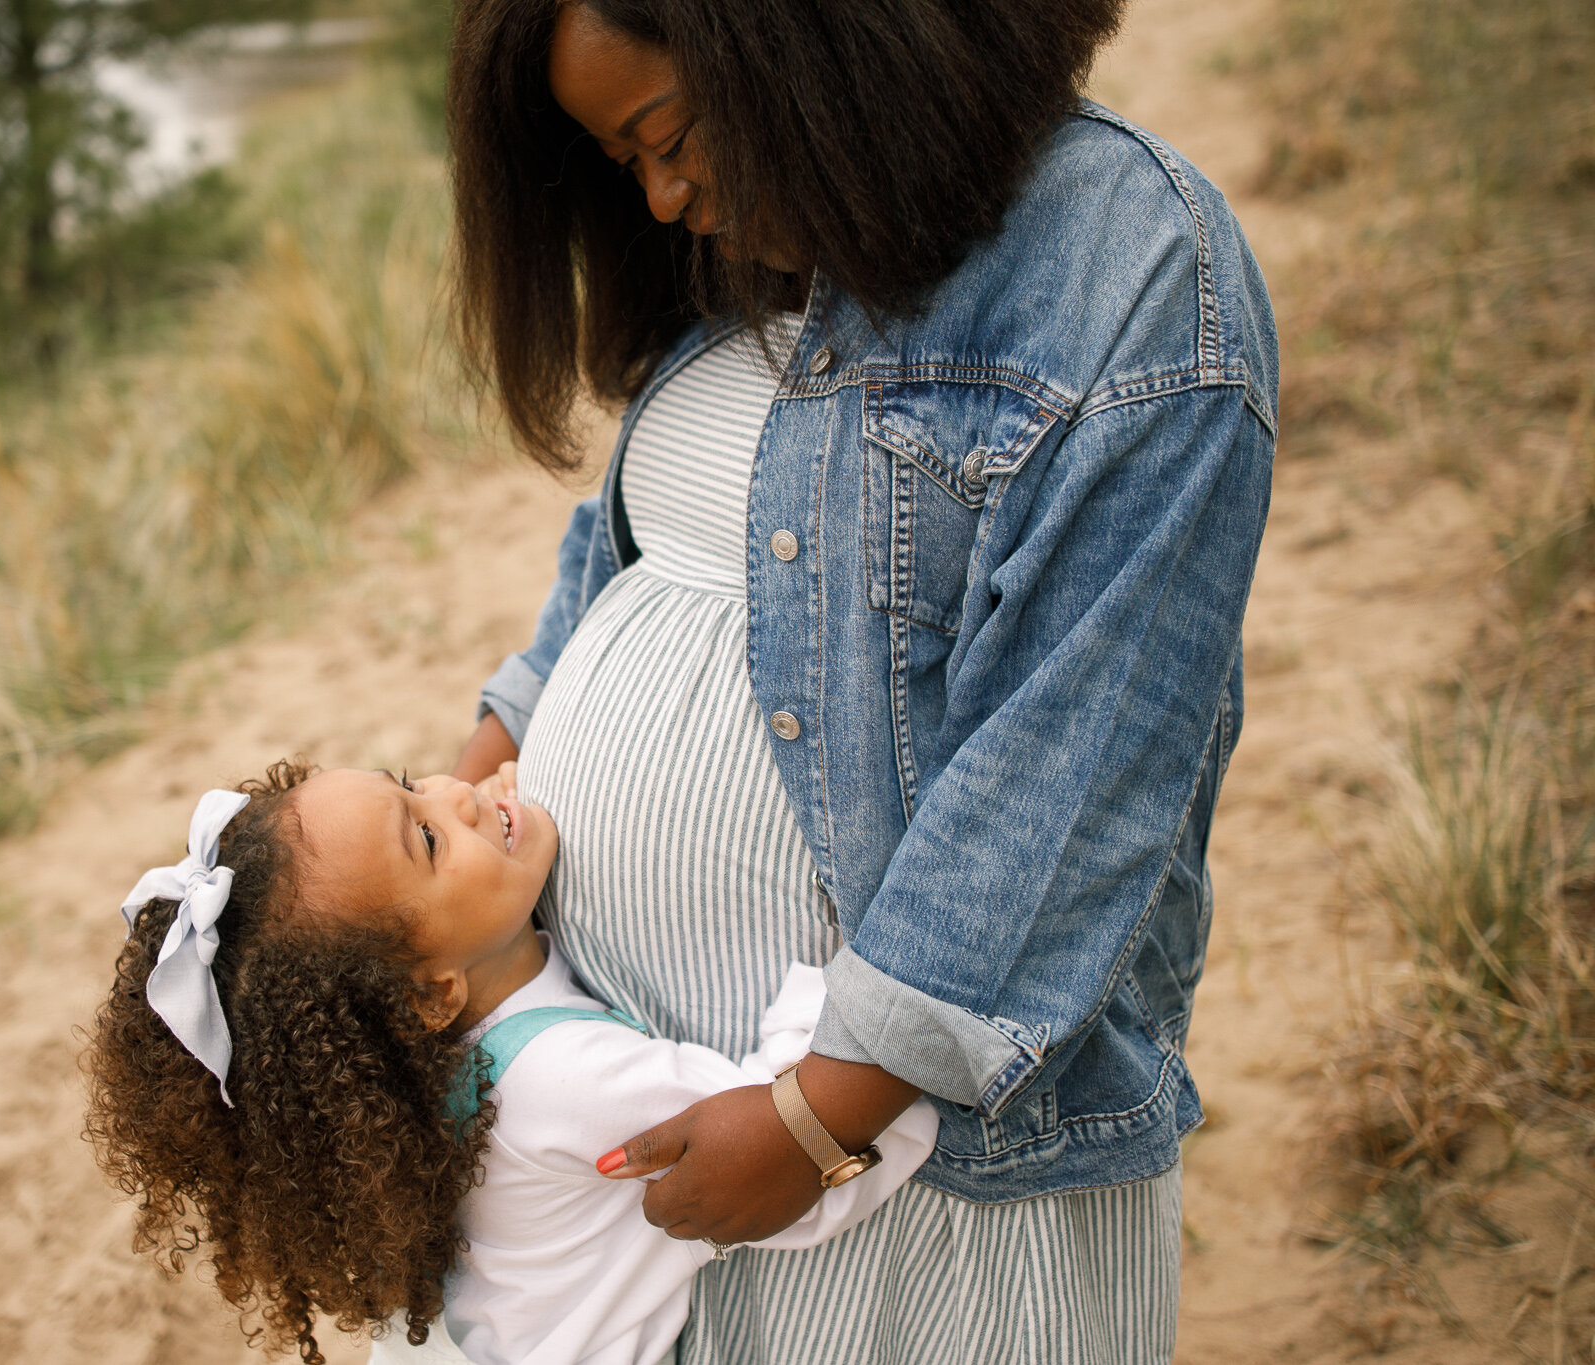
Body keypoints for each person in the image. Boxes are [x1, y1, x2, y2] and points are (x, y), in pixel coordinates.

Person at [444, 1, 1278, 1361]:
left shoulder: (1132, 271)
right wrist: (397, 875)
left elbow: (1073, 767)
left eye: (670, 135)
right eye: (621, 162)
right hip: (648, 1099)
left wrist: (819, 1114)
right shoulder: (753, 266)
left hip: (899, 1156)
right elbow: (613, 568)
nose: (660, 198)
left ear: (805, 46)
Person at [82, 760, 939, 1365]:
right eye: (426, 836)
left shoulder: (434, 1086)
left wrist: (483, 832)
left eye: (411, 780)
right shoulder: (570, 1081)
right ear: (432, 995)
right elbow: (799, 1143)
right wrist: (843, 970)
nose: (458, 789)